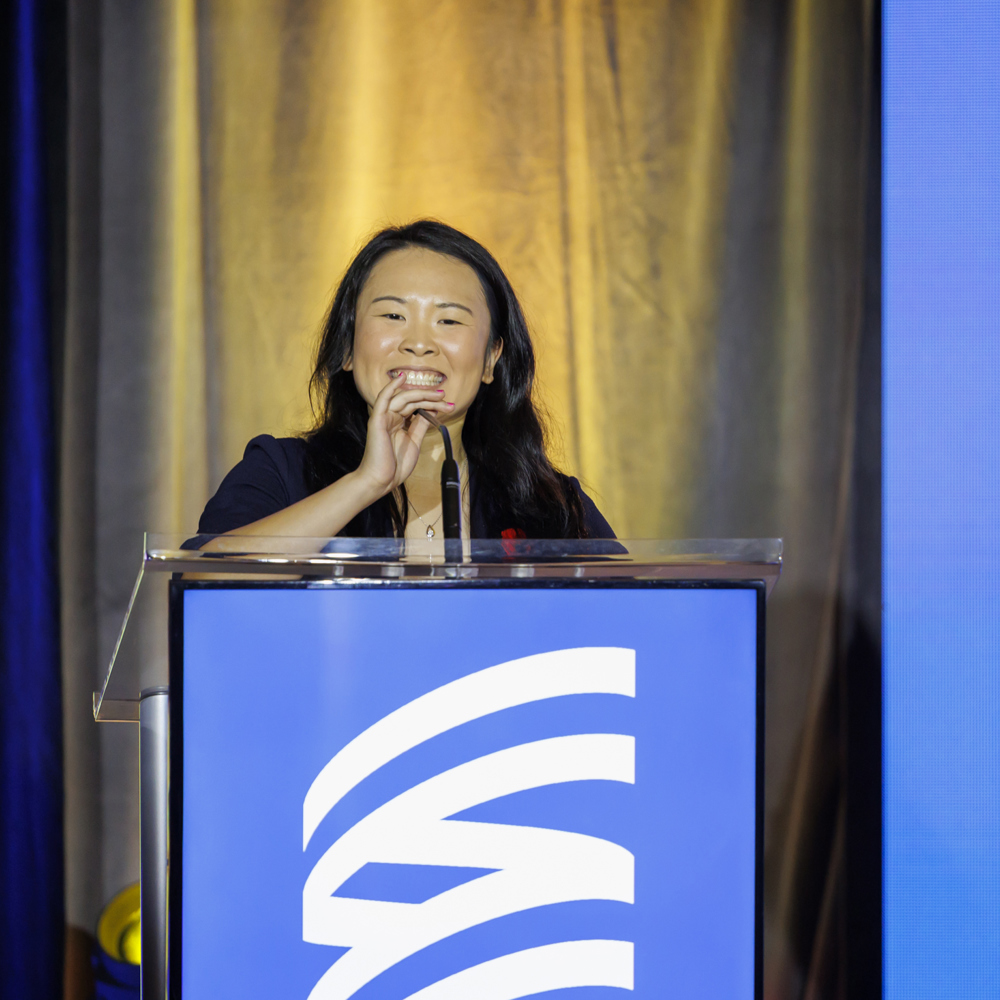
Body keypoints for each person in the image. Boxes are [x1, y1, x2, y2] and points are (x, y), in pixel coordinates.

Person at [197, 220, 614, 541]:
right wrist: (367, 483)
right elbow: (205, 581)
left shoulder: (550, 505)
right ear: (346, 348)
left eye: (448, 320)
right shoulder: (281, 472)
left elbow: (637, 621)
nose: (418, 343)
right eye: (393, 316)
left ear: (491, 360)